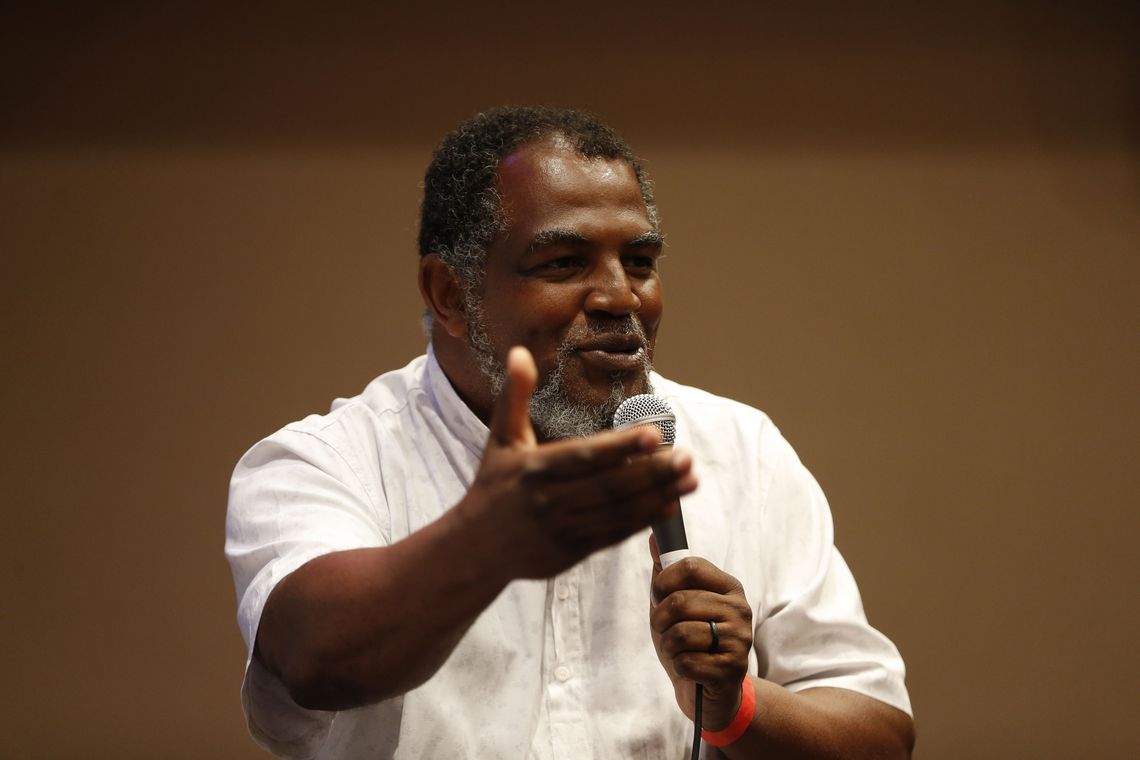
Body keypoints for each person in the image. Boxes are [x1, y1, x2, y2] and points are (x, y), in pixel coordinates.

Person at [225, 106, 915, 759]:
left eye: (640, 261)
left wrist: (735, 708)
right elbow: (316, 661)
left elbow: (880, 733)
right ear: (449, 294)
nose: (621, 297)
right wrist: (484, 542)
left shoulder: (741, 450)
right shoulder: (323, 462)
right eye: (563, 262)